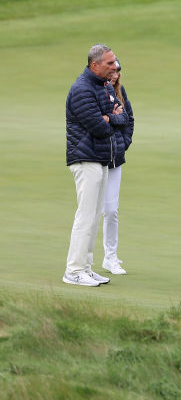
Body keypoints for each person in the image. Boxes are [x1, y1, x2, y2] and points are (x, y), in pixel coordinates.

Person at [64, 44, 126, 287]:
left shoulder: (103, 87)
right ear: (95, 65)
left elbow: (121, 117)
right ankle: (73, 270)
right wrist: (111, 118)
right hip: (85, 158)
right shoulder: (82, 89)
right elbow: (99, 127)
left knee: (94, 217)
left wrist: (110, 117)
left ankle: (86, 269)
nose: (115, 66)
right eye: (110, 63)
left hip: (99, 159)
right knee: (86, 216)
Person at [100, 57, 134, 275]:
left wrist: (124, 142)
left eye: (118, 70)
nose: (116, 74)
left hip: (115, 158)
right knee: (93, 211)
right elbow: (96, 119)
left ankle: (110, 257)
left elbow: (128, 119)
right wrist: (115, 118)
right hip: (95, 157)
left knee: (111, 210)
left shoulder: (120, 93)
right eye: (113, 69)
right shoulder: (95, 91)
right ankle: (83, 258)